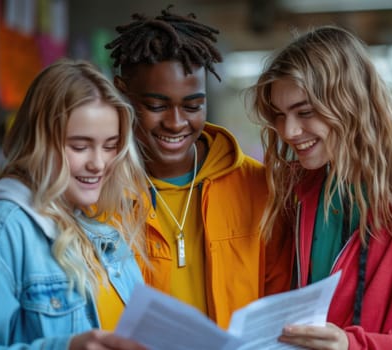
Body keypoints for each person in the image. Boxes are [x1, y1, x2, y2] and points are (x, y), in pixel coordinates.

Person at [247, 25, 392, 349]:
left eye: (305, 112)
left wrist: (354, 346)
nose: (289, 131)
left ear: (352, 105)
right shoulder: (292, 195)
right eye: (279, 115)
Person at [105, 6, 285, 328]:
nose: (176, 123)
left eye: (193, 106)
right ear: (122, 94)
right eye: (156, 106)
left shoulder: (259, 187)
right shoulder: (97, 193)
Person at [0, 58, 148, 349]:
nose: (99, 163)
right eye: (80, 146)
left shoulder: (104, 228)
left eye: (110, 146)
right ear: (39, 142)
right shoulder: (4, 228)